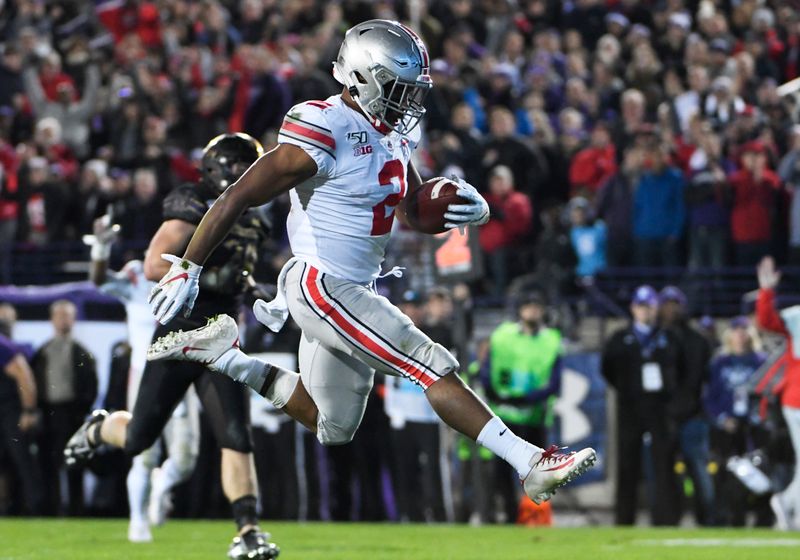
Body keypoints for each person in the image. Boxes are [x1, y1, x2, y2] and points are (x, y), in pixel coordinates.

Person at [142, 20, 595, 542]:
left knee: (333, 425)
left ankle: (228, 358)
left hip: (353, 287)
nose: (409, 101)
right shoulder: (323, 124)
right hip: (322, 283)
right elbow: (238, 195)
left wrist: (462, 208)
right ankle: (531, 460)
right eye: (401, 88)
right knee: (429, 363)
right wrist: (190, 266)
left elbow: (413, 211)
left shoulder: (395, 134)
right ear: (361, 77)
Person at [65, 134, 279, 560]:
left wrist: (254, 289)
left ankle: (248, 530)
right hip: (180, 334)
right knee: (139, 438)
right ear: (218, 170)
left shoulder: (255, 218)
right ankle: (98, 428)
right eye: (239, 168)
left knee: (236, 434)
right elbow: (152, 263)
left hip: (222, 336)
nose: (248, 176)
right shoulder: (193, 202)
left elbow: (244, 271)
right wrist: (208, 267)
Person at [83, 214, 200, 543]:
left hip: (180, 365)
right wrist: (100, 250)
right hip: (144, 370)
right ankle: (137, 520)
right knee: (143, 451)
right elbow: (100, 280)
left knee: (186, 457)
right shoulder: (136, 274)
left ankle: (163, 484)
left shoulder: (189, 272)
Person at [601, 285, 682, 526]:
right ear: (633, 308)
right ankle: (624, 518)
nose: (646, 311)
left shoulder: (668, 337)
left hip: (659, 407)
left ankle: (664, 519)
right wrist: (626, 388)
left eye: (650, 307)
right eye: (641, 306)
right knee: (627, 464)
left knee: (663, 463)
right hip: (630, 407)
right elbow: (607, 369)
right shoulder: (620, 338)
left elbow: (681, 369)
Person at [481, 292, 562, 523]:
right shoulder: (503, 336)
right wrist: (497, 394)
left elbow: (555, 382)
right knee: (501, 472)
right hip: (504, 415)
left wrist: (528, 398)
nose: (532, 310)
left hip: (534, 415)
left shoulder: (551, 339)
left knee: (536, 473)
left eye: (537, 306)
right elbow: (488, 369)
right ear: (519, 310)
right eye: (528, 305)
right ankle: (508, 517)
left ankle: (534, 517)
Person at [32, 300, 97, 516]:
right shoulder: (43, 352)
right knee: (49, 463)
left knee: (74, 463)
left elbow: (91, 384)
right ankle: (52, 507)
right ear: (52, 319)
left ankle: (76, 508)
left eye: (67, 315)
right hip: (49, 413)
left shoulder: (81, 352)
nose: (63, 320)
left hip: (73, 414)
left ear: (74, 319)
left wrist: (82, 409)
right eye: (59, 315)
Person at [658, 286, 715, 526]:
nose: (671, 309)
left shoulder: (697, 340)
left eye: (675, 304)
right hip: (662, 416)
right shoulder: (655, 338)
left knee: (699, 471)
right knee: (663, 474)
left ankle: (708, 519)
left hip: (692, 415)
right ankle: (668, 519)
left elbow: (707, 380)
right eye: (667, 304)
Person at [704, 317, 766, 526]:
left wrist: (758, 416)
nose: (740, 334)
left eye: (744, 330)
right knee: (726, 472)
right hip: (727, 428)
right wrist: (722, 419)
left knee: (758, 469)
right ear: (729, 335)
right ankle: (729, 517)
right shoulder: (720, 362)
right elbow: (709, 397)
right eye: (736, 330)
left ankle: (762, 517)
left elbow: (768, 394)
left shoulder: (761, 361)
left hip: (754, 427)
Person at [755, 256, 800, 530]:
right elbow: (767, 320)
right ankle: (787, 504)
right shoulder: (798, 317)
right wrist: (766, 291)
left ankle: (789, 506)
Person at [0, 307, 44, 515]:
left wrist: (28, 410)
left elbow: (24, 377)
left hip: (11, 411)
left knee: (23, 460)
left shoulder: (3, 345)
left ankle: (37, 508)